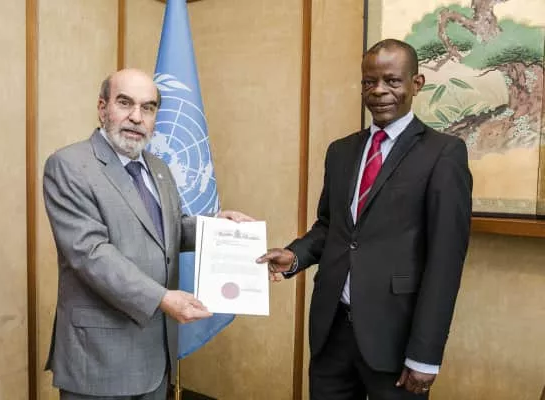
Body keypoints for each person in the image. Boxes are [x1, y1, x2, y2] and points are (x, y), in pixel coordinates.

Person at [257, 39, 472, 399]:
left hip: (396, 338)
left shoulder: (444, 153)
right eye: (369, 82)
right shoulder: (341, 151)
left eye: (392, 81)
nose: (379, 91)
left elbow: (445, 261)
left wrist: (425, 354)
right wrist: (295, 256)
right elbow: (331, 226)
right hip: (332, 331)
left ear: (416, 84)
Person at [43, 68, 252, 400]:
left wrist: (214, 227)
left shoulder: (159, 168)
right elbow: (91, 254)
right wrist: (162, 298)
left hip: (155, 355)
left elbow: (169, 230)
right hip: (98, 357)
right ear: (102, 108)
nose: (136, 117)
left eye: (148, 107)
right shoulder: (69, 165)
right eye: (125, 103)